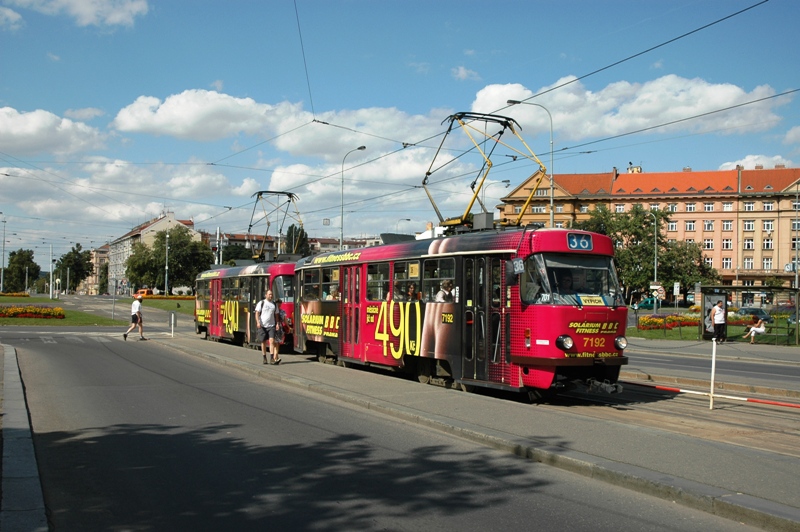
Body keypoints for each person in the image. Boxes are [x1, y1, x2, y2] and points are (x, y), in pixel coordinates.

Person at [255, 289, 280, 365]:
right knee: (263, 342)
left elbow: (276, 315)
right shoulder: (261, 303)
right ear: (266, 295)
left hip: (271, 326)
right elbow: (257, 313)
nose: (271, 296)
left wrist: (277, 323)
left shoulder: (274, 304)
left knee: (271, 341)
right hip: (262, 326)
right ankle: (264, 357)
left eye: (271, 294)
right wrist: (258, 322)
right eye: (269, 294)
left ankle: (272, 358)